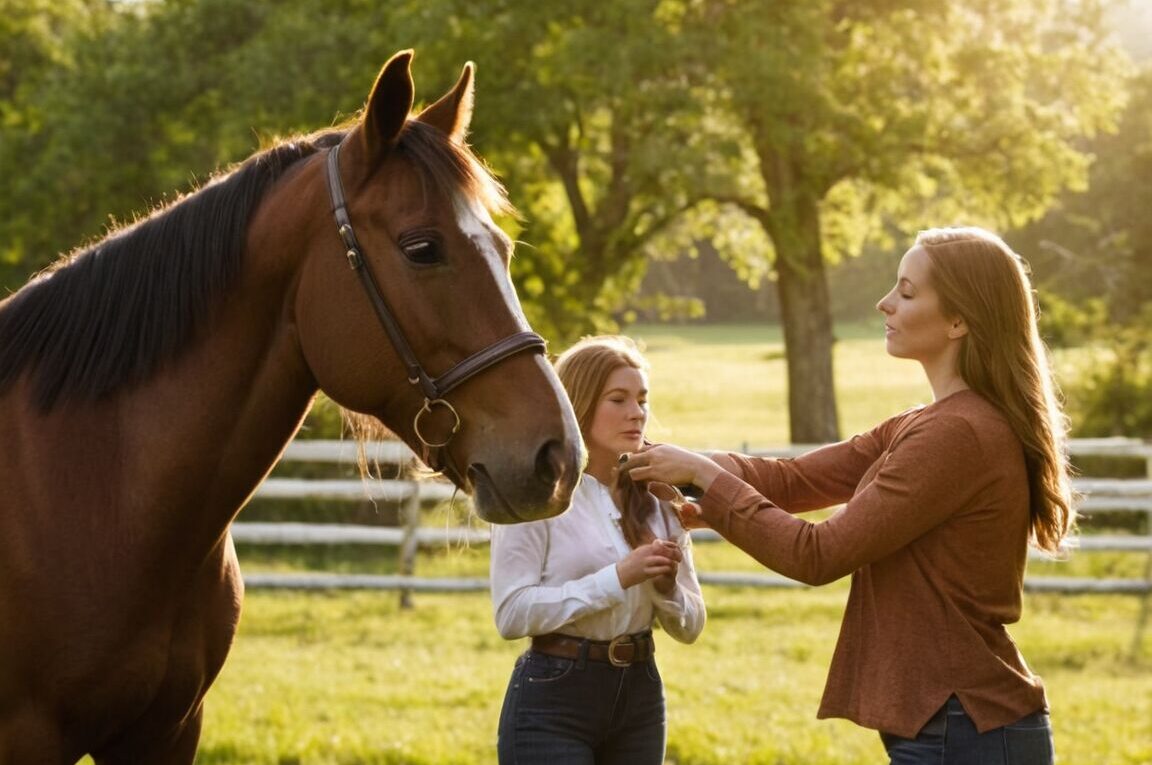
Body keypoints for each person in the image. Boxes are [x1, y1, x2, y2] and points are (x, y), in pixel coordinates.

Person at [623, 227, 1074, 764]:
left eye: (907, 292)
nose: (885, 302)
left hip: (965, 727)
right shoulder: (927, 423)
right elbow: (793, 480)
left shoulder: (956, 435)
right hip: (952, 726)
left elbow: (818, 555)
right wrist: (674, 463)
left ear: (958, 321)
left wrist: (711, 485)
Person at [490, 334, 706, 764]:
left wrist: (666, 588)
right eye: (618, 399)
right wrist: (619, 577)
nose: (637, 413)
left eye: (642, 400)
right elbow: (511, 614)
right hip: (552, 699)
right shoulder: (536, 497)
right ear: (579, 403)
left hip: (641, 696)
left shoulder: (660, 498)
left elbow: (691, 626)